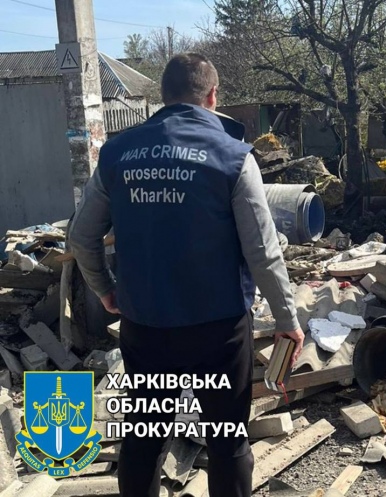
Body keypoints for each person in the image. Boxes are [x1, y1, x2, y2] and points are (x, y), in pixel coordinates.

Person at [68, 53, 304, 497]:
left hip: (145, 327)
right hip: (219, 330)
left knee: (144, 438)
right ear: (213, 95)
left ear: (164, 95)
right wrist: (286, 319)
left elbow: (81, 237)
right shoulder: (233, 156)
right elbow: (262, 250)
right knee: (228, 442)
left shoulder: (117, 153)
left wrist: (106, 290)